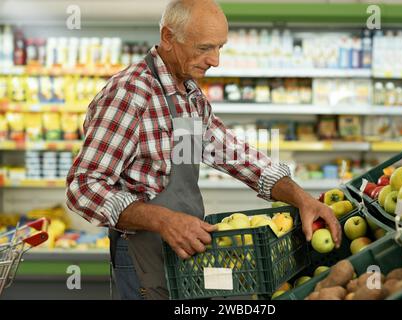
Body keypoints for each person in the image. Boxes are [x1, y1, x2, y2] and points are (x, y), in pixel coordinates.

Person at [66, 0, 341, 300]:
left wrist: (301, 198)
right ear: (169, 37)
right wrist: (164, 220)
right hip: (142, 255)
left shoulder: (189, 96)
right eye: (204, 48)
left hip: (184, 247)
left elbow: (237, 155)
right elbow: (83, 187)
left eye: (220, 47)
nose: (215, 60)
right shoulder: (131, 94)